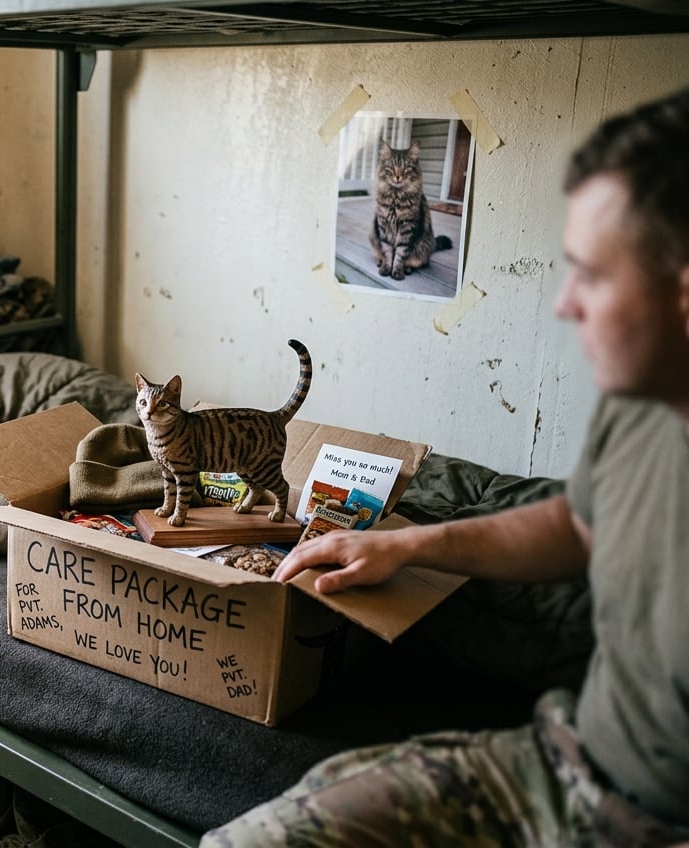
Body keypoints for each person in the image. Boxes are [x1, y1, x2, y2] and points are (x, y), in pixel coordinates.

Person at [202, 86, 689, 848]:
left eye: (593, 276)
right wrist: (404, 545)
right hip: (564, 762)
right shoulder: (648, 400)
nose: (564, 304)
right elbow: (577, 521)